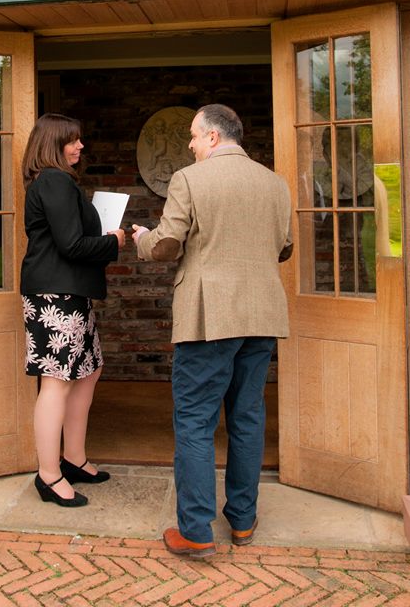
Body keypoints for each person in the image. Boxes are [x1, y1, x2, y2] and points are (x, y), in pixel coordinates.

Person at [132, 104, 292, 559]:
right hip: (260, 315)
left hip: (208, 316)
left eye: (194, 136)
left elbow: (165, 244)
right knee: (247, 416)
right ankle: (242, 521)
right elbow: (285, 247)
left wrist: (143, 238)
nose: (190, 144)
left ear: (214, 138)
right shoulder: (275, 183)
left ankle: (197, 531)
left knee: (196, 421)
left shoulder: (189, 179)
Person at [21, 113, 126, 507]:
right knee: (56, 380)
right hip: (55, 296)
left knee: (89, 369)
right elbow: (72, 245)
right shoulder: (54, 180)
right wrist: (113, 240)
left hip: (69, 292)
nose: (80, 146)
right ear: (53, 144)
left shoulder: (57, 182)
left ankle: (74, 458)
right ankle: (49, 476)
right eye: (72, 140)